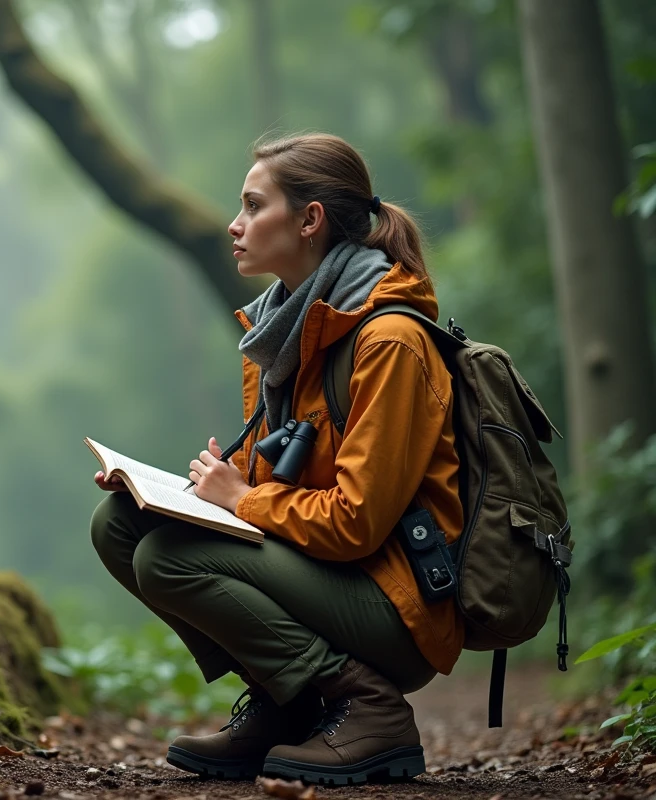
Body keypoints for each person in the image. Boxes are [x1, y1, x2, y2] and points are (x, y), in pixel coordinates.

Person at [89, 133, 462, 785]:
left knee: (167, 558)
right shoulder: (284, 334)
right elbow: (277, 496)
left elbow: (356, 523)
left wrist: (239, 498)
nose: (235, 225)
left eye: (253, 206)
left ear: (309, 220)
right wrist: (175, 496)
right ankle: (286, 704)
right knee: (121, 526)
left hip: (397, 603)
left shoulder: (389, 342)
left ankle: (367, 706)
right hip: (334, 577)